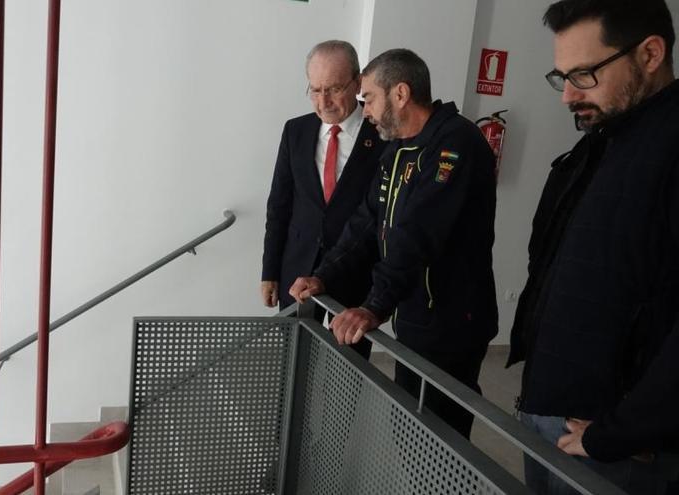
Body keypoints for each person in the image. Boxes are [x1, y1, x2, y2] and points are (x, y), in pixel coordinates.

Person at [508, 0, 679, 492]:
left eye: (583, 75)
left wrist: (627, 430)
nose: (566, 97)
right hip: (550, 409)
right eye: (560, 76)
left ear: (650, 53)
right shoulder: (599, 142)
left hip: (617, 443)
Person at [290, 48, 498, 438]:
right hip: (416, 311)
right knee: (410, 428)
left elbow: (418, 233)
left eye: (368, 98)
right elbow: (366, 222)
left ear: (400, 94)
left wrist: (373, 306)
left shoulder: (455, 144)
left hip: (452, 319)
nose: (364, 109)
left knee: (439, 436)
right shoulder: (399, 148)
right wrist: (323, 277)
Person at [261, 40, 386, 359]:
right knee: (293, 359)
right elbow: (279, 205)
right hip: (297, 269)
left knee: (350, 364)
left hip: (356, 275)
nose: (323, 101)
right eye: (315, 90)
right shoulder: (296, 131)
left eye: (333, 89)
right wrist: (270, 270)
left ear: (358, 82)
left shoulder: (383, 136)